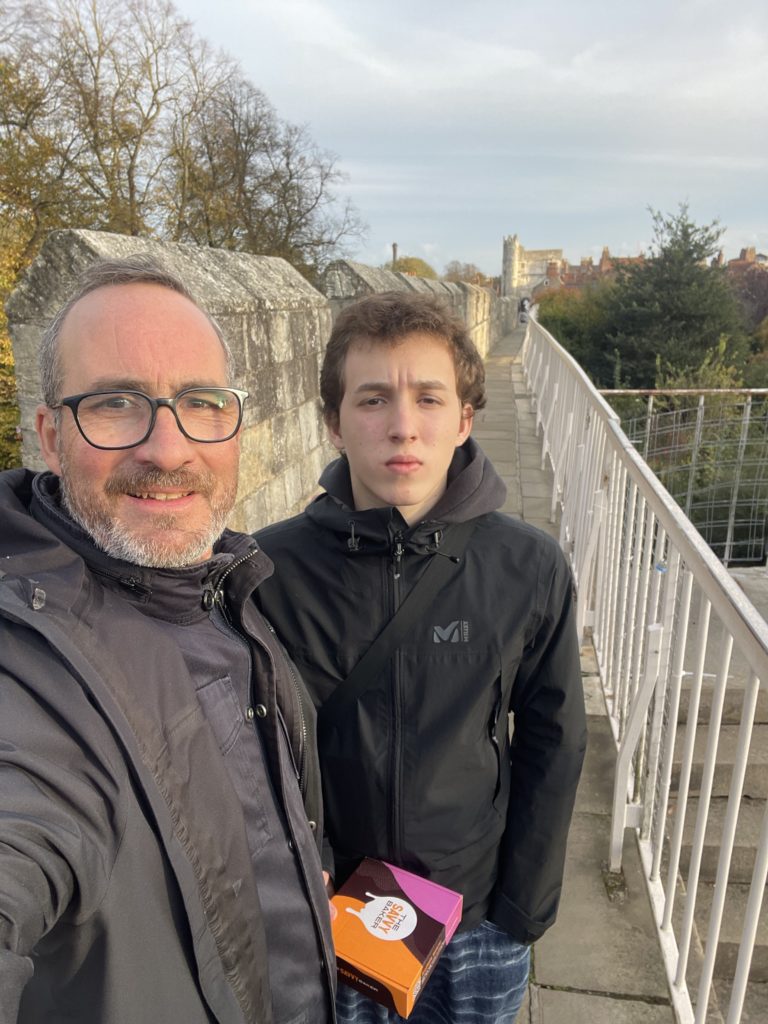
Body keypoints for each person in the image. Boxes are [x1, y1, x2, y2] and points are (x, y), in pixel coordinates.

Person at [0, 256, 336, 1024]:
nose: (168, 449)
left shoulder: (221, 582)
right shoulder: (25, 677)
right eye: (116, 404)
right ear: (50, 436)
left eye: (201, 402)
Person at [255, 291, 587, 1023]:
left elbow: (554, 739)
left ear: (464, 419)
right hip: (333, 915)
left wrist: (521, 910)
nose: (403, 426)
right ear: (333, 422)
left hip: (476, 919)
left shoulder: (527, 566)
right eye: (373, 398)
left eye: (428, 398)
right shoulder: (267, 572)